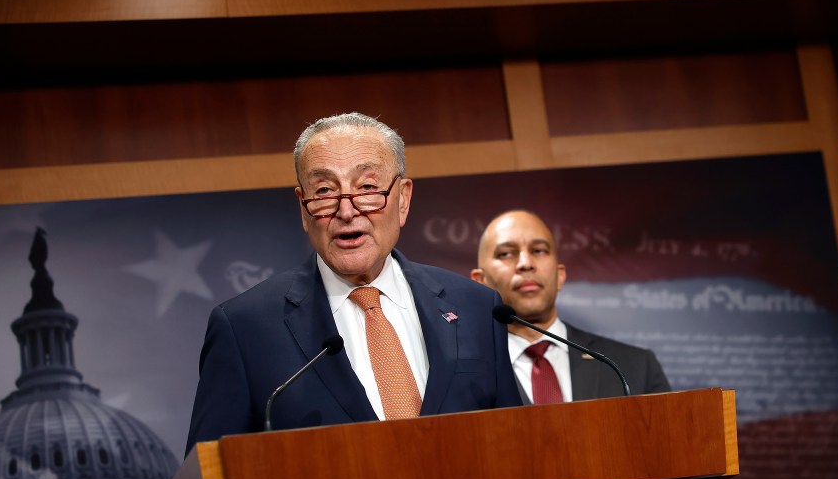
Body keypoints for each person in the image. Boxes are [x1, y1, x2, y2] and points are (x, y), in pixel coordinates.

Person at [186, 113, 522, 452]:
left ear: (403, 199)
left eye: (367, 187)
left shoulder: (476, 308)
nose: (346, 211)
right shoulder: (245, 329)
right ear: (304, 209)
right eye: (325, 191)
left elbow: (515, 445)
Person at [470, 210, 671, 404]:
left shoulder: (634, 367)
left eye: (538, 251)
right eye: (506, 254)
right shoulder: (458, 375)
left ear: (560, 276)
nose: (526, 263)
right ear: (480, 282)